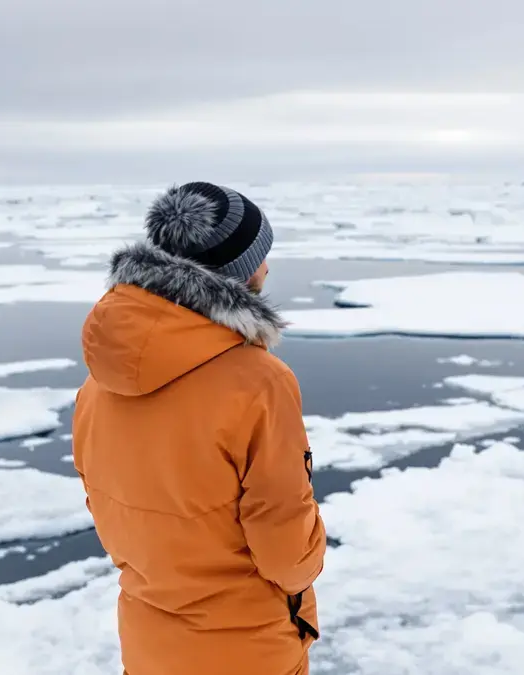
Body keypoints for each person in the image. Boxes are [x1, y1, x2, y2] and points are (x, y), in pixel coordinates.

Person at [73, 182, 326, 675]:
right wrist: (313, 556)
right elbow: (287, 551)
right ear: (238, 272)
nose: (267, 267)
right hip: (248, 646)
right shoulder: (259, 381)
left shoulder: (100, 382)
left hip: (149, 643)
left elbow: (109, 511)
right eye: (260, 256)